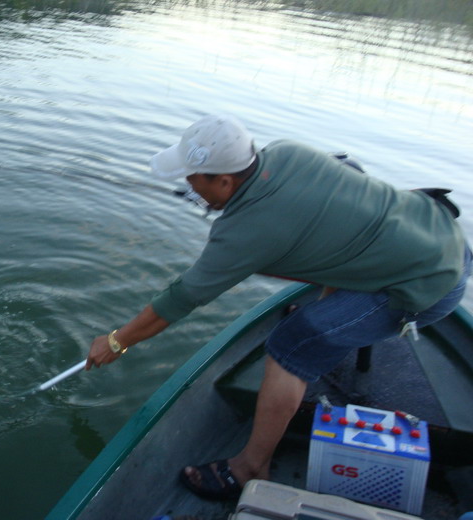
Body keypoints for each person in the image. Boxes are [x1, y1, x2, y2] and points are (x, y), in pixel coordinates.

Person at [85, 115, 471, 500]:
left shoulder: (244, 232)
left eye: (193, 179)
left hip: (428, 284)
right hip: (438, 230)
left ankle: (250, 467)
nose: (189, 187)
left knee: (290, 344)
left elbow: (181, 298)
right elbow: (346, 189)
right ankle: (330, 323)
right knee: (321, 290)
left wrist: (117, 341)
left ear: (223, 180)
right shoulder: (287, 153)